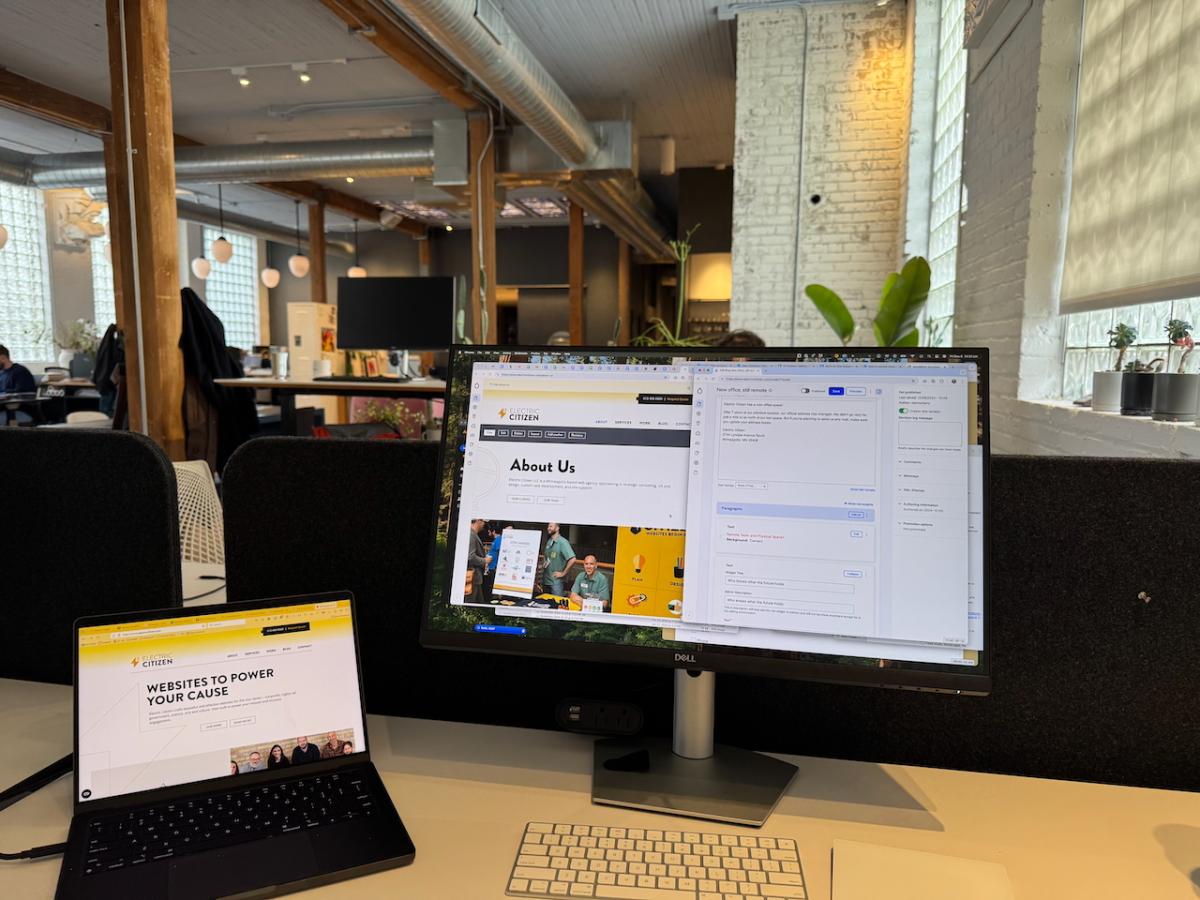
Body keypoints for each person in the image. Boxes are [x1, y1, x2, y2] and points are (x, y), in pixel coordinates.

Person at [544, 523, 576, 596]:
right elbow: (548, 558)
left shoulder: (563, 542)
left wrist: (563, 573)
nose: (548, 528)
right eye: (548, 526)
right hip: (546, 579)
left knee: (557, 603)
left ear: (557, 528)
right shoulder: (549, 541)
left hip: (556, 582)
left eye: (551, 526)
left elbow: (573, 559)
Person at [466, 518, 492, 602]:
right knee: (471, 604)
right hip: (472, 578)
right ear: (478, 520)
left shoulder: (472, 534)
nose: (484, 524)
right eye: (484, 522)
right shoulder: (471, 535)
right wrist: (485, 560)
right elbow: (470, 557)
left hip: (475, 577)